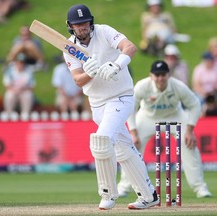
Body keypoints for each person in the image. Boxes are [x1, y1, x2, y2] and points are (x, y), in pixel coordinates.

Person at [63, 4, 158, 210]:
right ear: (71, 26)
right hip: (97, 103)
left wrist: (116, 65)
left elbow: (129, 47)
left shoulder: (105, 31)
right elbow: (78, 81)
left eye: (85, 23)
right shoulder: (70, 48)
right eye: (78, 25)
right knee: (123, 149)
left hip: (121, 96)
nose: (83, 27)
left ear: (91, 22)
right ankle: (149, 196)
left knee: (102, 139)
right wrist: (90, 72)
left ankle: (108, 194)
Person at [117, 60, 212, 199]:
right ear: (151, 76)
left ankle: (200, 188)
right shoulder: (142, 86)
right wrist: (133, 133)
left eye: (163, 75)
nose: (160, 78)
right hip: (147, 117)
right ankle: (124, 187)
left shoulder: (178, 86)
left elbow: (195, 105)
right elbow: (130, 108)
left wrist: (190, 131)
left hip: (175, 116)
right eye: (157, 75)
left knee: (189, 145)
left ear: (169, 75)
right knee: (131, 147)